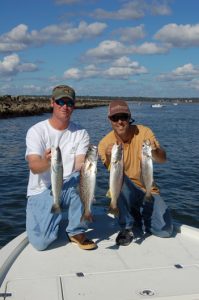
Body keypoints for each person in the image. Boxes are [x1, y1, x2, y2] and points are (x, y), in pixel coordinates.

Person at [25, 84, 97, 251]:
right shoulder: (36, 131)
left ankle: (76, 230)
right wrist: (47, 161)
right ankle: (52, 215)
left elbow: (79, 165)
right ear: (52, 102)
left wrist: (89, 165)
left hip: (69, 184)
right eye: (60, 102)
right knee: (41, 243)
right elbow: (34, 167)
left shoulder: (81, 133)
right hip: (42, 189)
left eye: (69, 103)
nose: (65, 107)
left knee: (83, 180)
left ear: (74, 106)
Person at [98, 100, 173, 246]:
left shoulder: (144, 132)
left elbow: (163, 159)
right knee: (120, 179)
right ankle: (127, 226)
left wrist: (155, 151)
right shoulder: (104, 144)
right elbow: (114, 174)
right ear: (110, 120)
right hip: (125, 189)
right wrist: (108, 156)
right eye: (115, 118)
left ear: (129, 117)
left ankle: (139, 216)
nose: (120, 122)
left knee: (165, 230)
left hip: (147, 189)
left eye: (124, 117)